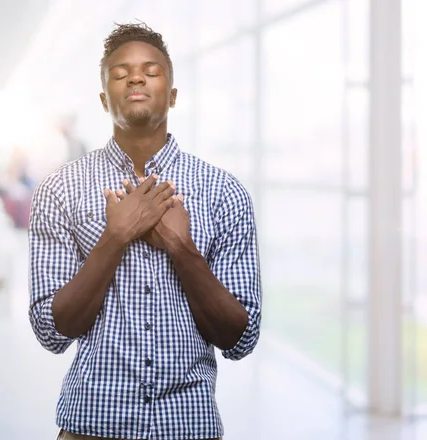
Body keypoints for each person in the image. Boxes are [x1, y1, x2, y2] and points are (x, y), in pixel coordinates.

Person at [28, 22, 262, 440]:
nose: (135, 77)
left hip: (189, 425)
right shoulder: (59, 190)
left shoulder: (224, 192)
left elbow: (240, 339)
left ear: (172, 95)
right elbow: (51, 332)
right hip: (91, 425)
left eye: (151, 71)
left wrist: (181, 247)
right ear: (104, 99)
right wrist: (114, 237)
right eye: (120, 73)